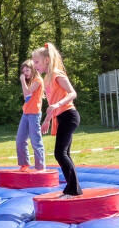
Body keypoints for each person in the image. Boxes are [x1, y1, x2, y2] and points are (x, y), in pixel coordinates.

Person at [32, 43, 82, 198]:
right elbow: (51, 104)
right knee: (64, 153)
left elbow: (72, 93)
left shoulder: (57, 74)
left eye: (37, 62)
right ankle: (73, 189)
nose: (35, 65)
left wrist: (58, 104)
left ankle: (72, 190)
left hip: (69, 115)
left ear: (46, 60)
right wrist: (47, 120)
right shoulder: (47, 78)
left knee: (60, 153)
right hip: (61, 117)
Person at [16, 60, 45, 171]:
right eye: (23, 71)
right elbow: (26, 95)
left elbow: (27, 92)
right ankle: (24, 164)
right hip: (26, 113)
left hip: (34, 114)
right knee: (20, 140)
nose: (25, 73)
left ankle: (40, 167)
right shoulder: (30, 82)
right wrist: (24, 82)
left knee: (35, 140)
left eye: (27, 70)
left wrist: (22, 81)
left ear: (33, 69)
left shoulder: (38, 80)